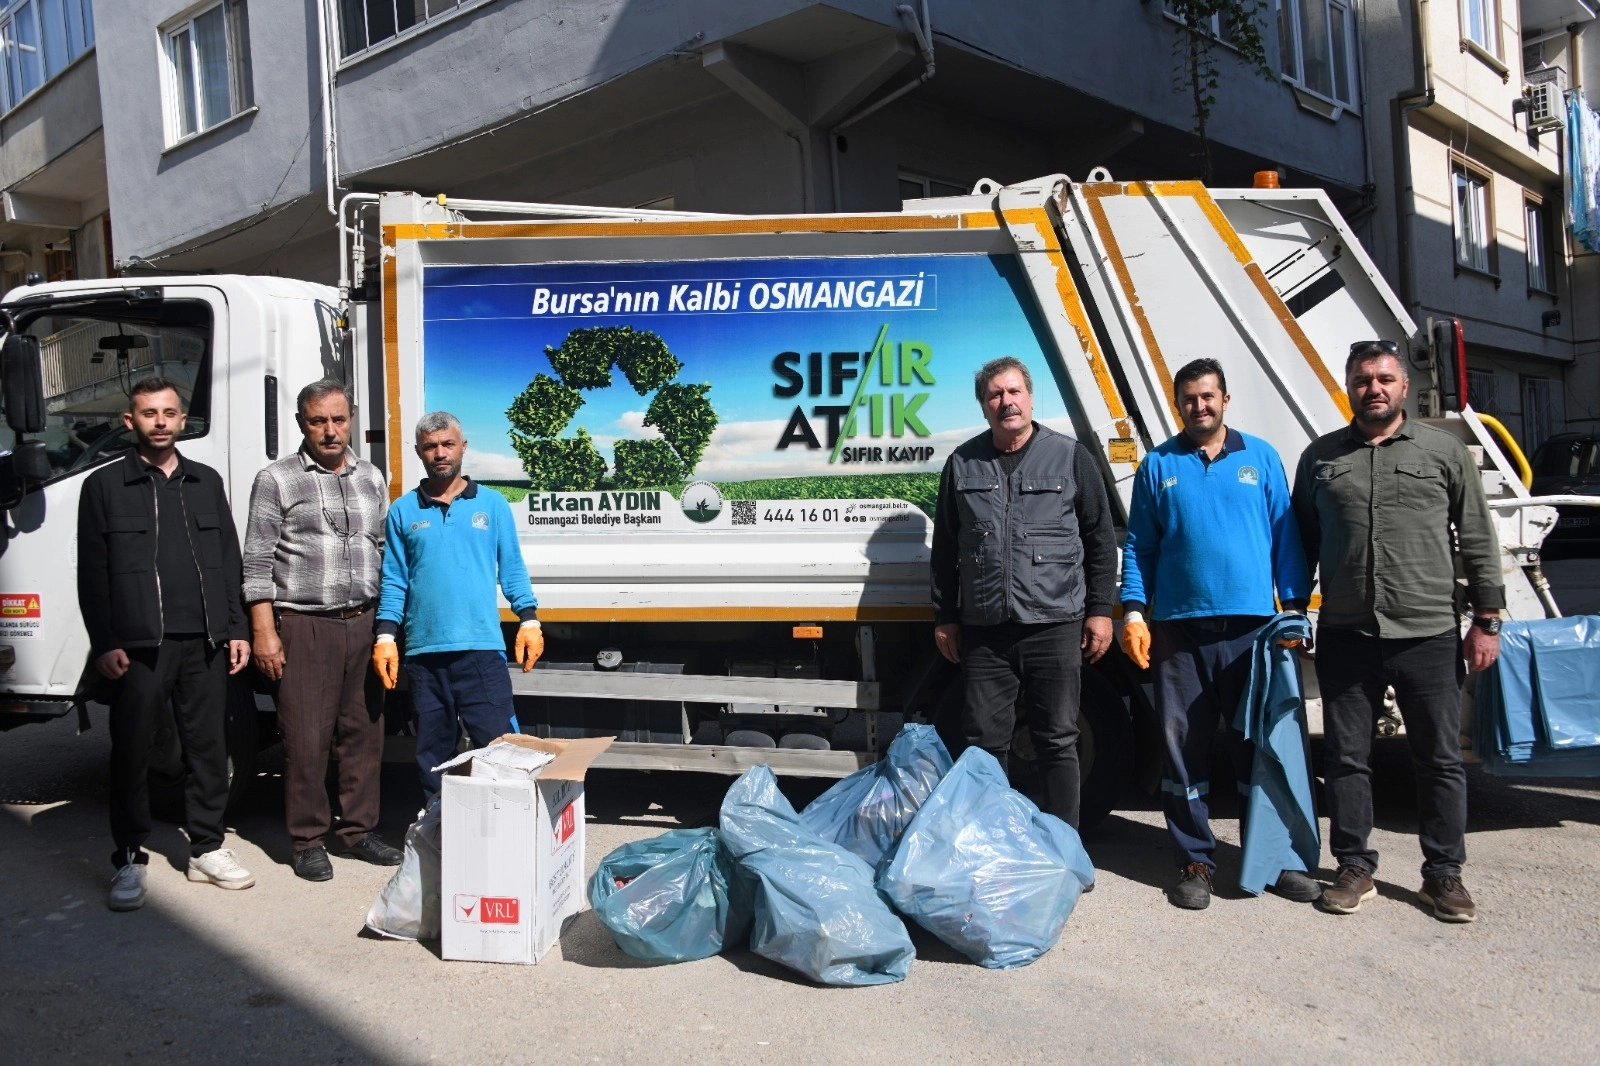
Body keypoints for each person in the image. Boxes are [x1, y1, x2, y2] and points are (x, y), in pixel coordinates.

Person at [1293, 340, 1504, 923]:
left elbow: (1477, 537)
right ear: (1349, 387)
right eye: (1363, 380)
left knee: (1438, 759)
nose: (1374, 389)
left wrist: (1487, 619)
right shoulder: (1321, 458)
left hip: (1428, 632)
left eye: (1384, 378)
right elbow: (1301, 543)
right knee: (1346, 759)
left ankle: (1444, 874)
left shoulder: (1443, 451)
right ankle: (1353, 866)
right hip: (1347, 633)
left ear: (1404, 386)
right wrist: (1293, 610)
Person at [1119, 358, 1318, 910]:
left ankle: (1273, 858)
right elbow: (1140, 546)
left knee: (1260, 749)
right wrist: (1133, 612)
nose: (1199, 406)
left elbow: (1286, 537)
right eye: (1189, 398)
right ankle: (1194, 861)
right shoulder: (1158, 465)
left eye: (1208, 396)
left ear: (1225, 400)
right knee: (1183, 750)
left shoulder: (1261, 457)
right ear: (1178, 405)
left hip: (1254, 632)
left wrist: (1294, 608)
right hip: (1178, 634)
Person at [77, 377, 255, 911]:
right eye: (149, 413)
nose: (160, 422)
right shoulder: (104, 486)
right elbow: (92, 573)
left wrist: (236, 629)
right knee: (133, 752)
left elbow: (228, 560)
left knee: (208, 748)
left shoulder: (205, 481)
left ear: (182, 420)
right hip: (139, 647)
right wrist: (105, 641)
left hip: (204, 642)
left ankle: (206, 848)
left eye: (169, 413)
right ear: (130, 421)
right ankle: (130, 857)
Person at [929, 356, 1117, 829]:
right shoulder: (962, 463)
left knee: (1057, 740)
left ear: (1030, 399)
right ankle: (994, 844)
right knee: (983, 745)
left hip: (1054, 626)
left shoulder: (1070, 457)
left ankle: (1062, 847)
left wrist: (1100, 610)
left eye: (1014, 391)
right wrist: (945, 616)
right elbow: (946, 547)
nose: (1006, 401)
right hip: (985, 631)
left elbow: (1099, 537)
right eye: (995, 394)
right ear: (983, 406)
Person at [242, 379, 401, 882]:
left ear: (351, 419)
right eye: (318, 421)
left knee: (363, 735)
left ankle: (357, 831)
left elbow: (383, 549)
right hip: (305, 625)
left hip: (364, 623)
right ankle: (308, 839)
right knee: (306, 740)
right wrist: (264, 632)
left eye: (338, 419)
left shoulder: (371, 476)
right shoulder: (276, 479)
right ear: (301, 424)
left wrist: (387, 627)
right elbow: (256, 562)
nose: (330, 431)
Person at [373, 412, 544, 799]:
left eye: (447, 444)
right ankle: (439, 822)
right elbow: (395, 579)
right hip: (424, 655)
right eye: (430, 446)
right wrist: (385, 635)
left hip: (480, 651)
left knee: (501, 751)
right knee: (433, 756)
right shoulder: (403, 511)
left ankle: (510, 823)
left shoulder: (493, 505)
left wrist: (529, 619)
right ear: (419, 452)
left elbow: (512, 567)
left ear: (462, 447)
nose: (440, 453)